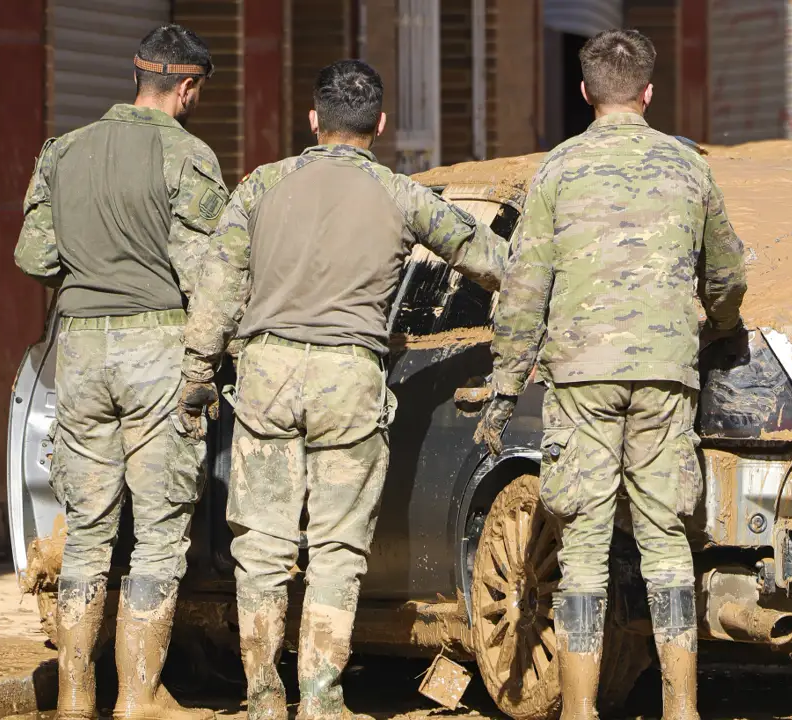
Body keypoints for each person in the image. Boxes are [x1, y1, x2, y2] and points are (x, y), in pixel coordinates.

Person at [179, 59, 503, 720]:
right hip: (348, 381)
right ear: (381, 125)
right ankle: (323, 700)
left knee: (262, 550)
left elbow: (215, 291)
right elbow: (492, 261)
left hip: (266, 377)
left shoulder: (260, 187)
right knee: (336, 549)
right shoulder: (402, 196)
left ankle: (266, 698)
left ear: (311, 120)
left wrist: (196, 375)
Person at [473, 28, 747, 720]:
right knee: (664, 542)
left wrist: (505, 389)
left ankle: (581, 710)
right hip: (665, 376)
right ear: (649, 92)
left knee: (584, 547)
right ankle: (681, 706)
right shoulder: (689, 168)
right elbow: (727, 274)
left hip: (581, 378)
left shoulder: (558, 170)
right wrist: (713, 328)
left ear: (585, 91)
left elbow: (524, 287)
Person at [13, 24, 225, 720]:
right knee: (160, 530)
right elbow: (208, 277)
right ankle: (138, 699)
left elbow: (35, 260)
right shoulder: (188, 157)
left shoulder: (62, 152)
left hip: (78, 351)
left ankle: (76, 694)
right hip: (157, 350)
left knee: (89, 527)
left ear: (138, 76)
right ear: (187, 86)